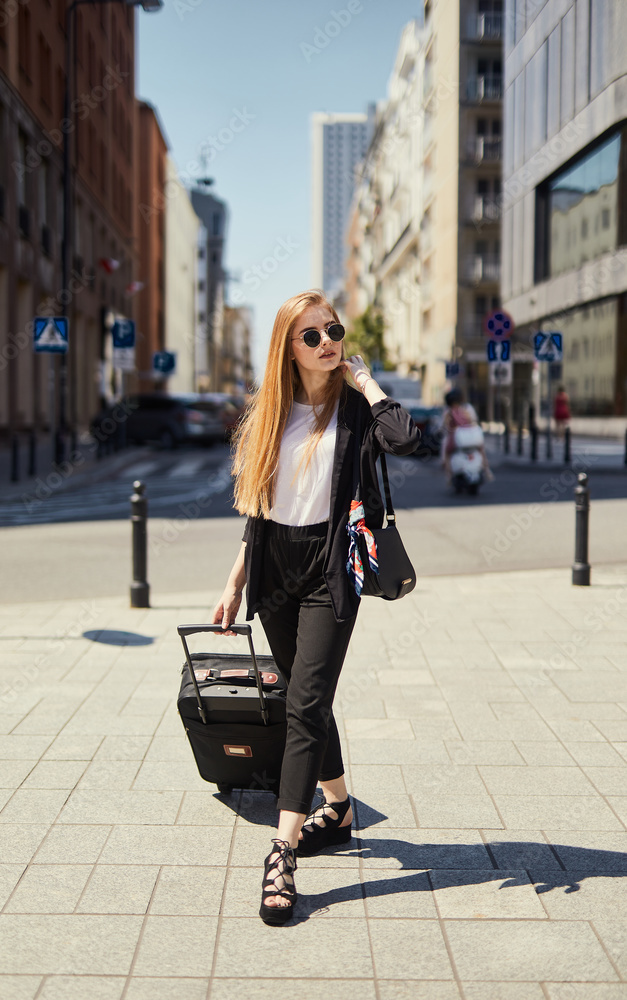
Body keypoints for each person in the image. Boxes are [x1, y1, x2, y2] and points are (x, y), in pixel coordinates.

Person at [212, 289, 420, 924]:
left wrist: (367, 379)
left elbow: (405, 440)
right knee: (309, 697)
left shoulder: (356, 407)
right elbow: (257, 509)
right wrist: (236, 580)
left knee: (303, 702)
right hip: (276, 568)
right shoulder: (269, 412)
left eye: (333, 330)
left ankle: (283, 849)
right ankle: (341, 808)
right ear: (288, 348)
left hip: (333, 568)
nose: (327, 342)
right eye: (312, 336)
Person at [442, 387, 493, 482]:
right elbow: (474, 421)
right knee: (481, 450)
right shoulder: (467, 409)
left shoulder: (449, 412)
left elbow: (446, 426)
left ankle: (449, 476)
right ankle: (487, 470)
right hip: (472, 436)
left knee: (447, 454)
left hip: (457, 438)